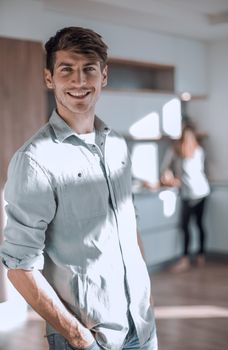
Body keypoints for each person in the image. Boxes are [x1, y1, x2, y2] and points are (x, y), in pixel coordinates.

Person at [0, 27, 157, 350]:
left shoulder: (116, 145)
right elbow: (19, 266)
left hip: (141, 325)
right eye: (66, 70)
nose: (79, 81)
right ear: (49, 79)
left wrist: (145, 293)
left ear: (104, 76)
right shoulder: (35, 160)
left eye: (89, 69)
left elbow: (130, 222)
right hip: (89, 337)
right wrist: (77, 336)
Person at [160, 124, 210, 272]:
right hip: (187, 195)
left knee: (199, 224)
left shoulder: (199, 151)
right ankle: (185, 259)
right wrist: (170, 178)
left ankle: (201, 255)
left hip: (201, 192)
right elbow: (165, 170)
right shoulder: (175, 151)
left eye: (190, 138)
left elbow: (199, 173)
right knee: (184, 226)